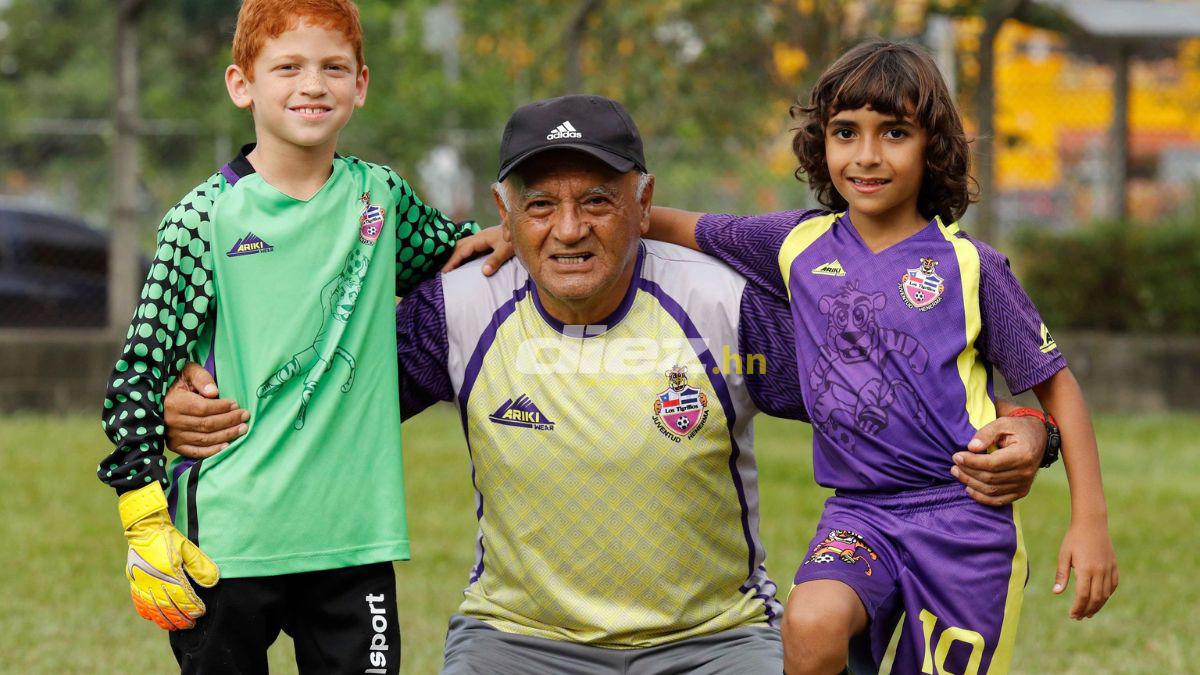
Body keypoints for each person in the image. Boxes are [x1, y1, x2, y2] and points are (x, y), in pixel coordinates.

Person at [164, 94, 1051, 674]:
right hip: (515, 643)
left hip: (714, 645)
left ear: (643, 200)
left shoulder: (720, 303)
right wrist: (191, 395)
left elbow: (881, 376)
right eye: (541, 204)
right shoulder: (461, 308)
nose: (569, 228)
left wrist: (1028, 429)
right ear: (503, 213)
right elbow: (320, 393)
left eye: (597, 199)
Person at [644, 40, 1118, 674]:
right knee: (810, 626)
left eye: (893, 133)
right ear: (822, 144)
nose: (866, 156)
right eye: (846, 132)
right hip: (858, 512)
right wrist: (523, 228)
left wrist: (1089, 525)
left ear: (933, 148)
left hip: (963, 523)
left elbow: (1059, 389)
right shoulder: (795, 243)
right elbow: (671, 224)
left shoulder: (972, 267)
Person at [97, 1, 477, 672]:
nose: (312, 84)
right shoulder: (202, 218)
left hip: (354, 542)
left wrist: (525, 237)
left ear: (360, 85)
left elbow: (458, 257)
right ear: (242, 84)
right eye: (288, 67)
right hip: (229, 541)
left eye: (333, 67)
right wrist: (143, 517)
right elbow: (137, 374)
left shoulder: (381, 201)